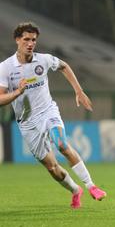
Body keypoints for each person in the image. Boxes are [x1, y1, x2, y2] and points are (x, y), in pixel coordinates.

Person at [0, 22, 106, 209]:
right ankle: (75, 190)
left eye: (33, 40)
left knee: (62, 144)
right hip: (27, 124)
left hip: (48, 112)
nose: (30, 43)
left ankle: (91, 186)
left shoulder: (44, 60)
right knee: (53, 168)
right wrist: (17, 93)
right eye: (26, 39)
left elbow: (64, 66)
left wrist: (79, 91)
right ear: (17, 40)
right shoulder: (6, 68)